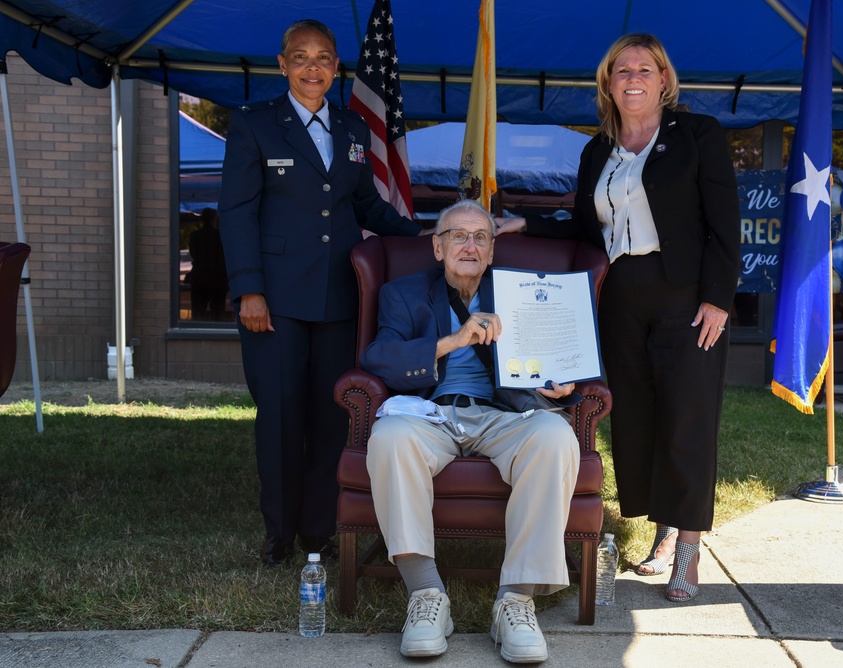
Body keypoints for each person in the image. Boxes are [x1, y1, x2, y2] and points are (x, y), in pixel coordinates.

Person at [498, 33, 740, 602]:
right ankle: (659, 531)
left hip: (685, 295)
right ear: (608, 83)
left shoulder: (697, 136)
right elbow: (587, 228)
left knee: (687, 417)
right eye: (622, 69)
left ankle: (687, 548)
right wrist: (527, 226)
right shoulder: (595, 150)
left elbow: (724, 223)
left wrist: (719, 299)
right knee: (636, 418)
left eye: (645, 68)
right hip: (620, 298)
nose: (633, 77)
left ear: (663, 80)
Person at [218, 19, 422, 566]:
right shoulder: (254, 125)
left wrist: (425, 232)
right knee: (282, 418)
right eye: (301, 58)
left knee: (332, 417)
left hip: (338, 300)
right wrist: (248, 291)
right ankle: (279, 535)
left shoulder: (353, 130)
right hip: (276, 303)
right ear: (282, 65)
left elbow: (367, 208)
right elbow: (237, 215)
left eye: (324, 58)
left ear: (336, 68)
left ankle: (317, 531)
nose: (314, 68)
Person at [361, 199, 580, 663]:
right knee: (390, 437)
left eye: (481, 236)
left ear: (493, 251)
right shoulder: (402, 294)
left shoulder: (521, 295)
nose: (470, 244)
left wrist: (560, 386)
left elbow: (553, 363)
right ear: (437, 248)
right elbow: (379, 359)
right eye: (458, 235)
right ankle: (426, 596)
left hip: (502, 415)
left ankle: (516, 601)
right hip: (433, 414)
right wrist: (454, 340)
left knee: (556, 435)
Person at [187, 207, 229, 321]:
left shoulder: (195, 236)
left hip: (200, 277)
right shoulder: (220, 236)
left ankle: (196, 334)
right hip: (218, 278)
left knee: (198, 312)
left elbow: (193, 253)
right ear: (214, 219)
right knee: (218, 312)